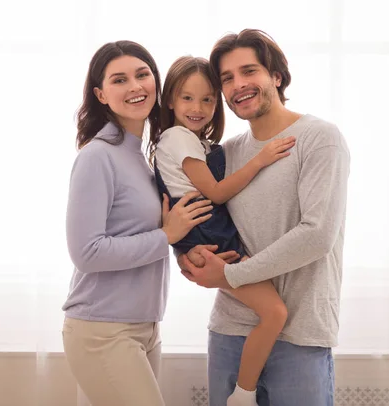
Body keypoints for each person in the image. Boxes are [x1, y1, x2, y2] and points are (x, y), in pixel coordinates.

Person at [179, 29, 351, 406]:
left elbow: (317, 234)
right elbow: (200, 216)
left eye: (249, 71)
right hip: (231, 332)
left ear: (275, 75)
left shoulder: (320, 138)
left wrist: (229, 275)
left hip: (300, 336)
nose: (238, 84)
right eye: (227, 78)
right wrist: (187, 255)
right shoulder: (224, 155)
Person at [61, 40, 217, 406]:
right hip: (103, 330)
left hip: (144, 327)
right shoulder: (98, 156)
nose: (135, 86)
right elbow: (87, 253)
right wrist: (166, 235)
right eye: (119, 80)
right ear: (101, 94)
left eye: (142, 74)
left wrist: (181, 248)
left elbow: (142, 236)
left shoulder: (143, 158)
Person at [149, 55, 295, 406]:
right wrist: (262, 158)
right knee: (275, 313)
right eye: (187, 98)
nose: (198, 107)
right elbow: (215, 192)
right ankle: (242, 396)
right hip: (210, 236)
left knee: (271, 310)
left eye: (208, 99)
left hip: (207, 235)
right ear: (170, 100)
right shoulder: (179, 138)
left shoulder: (195, 143)